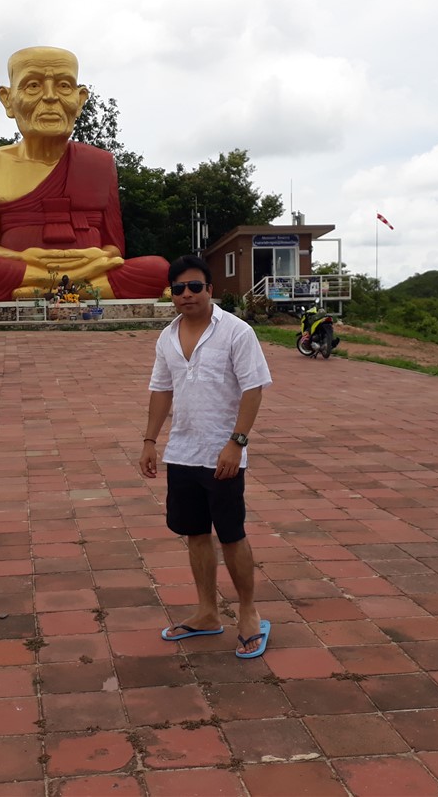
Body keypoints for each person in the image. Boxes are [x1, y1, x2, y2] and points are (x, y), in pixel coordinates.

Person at [0, 46, 168, 301]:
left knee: (158, 269)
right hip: (30, 267)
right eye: (32, 86)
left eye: (63, 85)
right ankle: (79, 289)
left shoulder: (100, 162)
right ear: (8, 99)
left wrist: (96, 257)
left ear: (80, 99)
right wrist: (24, 257)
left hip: (86, 266)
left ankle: (40, 291)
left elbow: (114, 246)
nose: (50, 97)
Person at [139, 255, 273, 659]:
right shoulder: (167, 337)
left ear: (210, 290)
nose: (186, 295)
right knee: (195, 534)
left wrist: (237, 442)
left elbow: (254, 389)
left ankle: (248, 614)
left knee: (232, 535)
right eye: (178, 289)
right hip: (183, 452)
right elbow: (162, 390)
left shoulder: (236, 331)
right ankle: (207, 613)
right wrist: (149, 440)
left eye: (194, 287)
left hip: (223, 454)